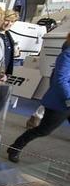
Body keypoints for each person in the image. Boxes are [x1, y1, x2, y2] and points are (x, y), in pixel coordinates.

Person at [7, 32, 70, 163]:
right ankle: (15, 147)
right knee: (43, 130)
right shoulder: (67, 55)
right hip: (61, 102)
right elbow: (60, 81)